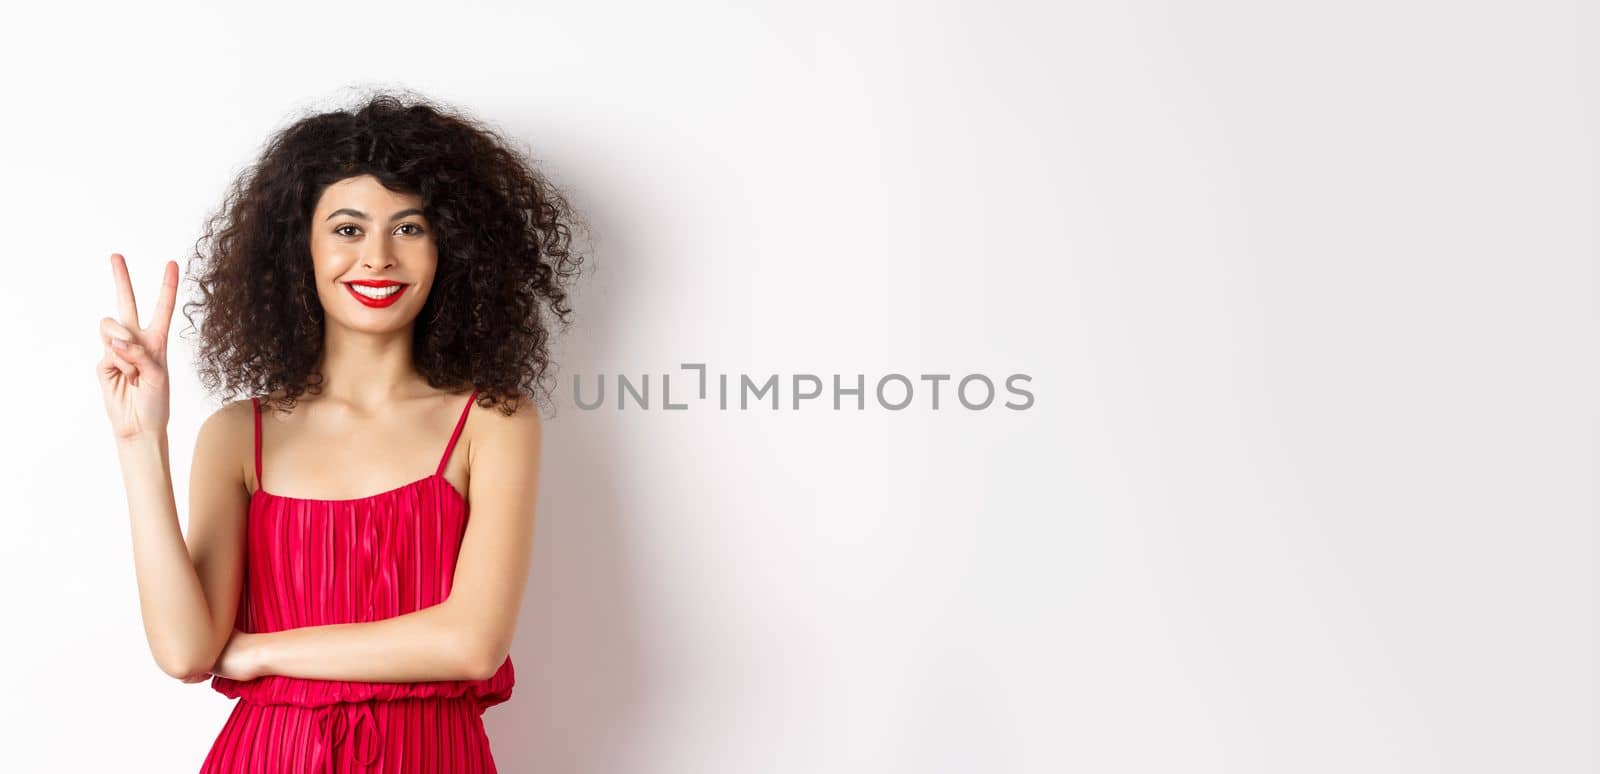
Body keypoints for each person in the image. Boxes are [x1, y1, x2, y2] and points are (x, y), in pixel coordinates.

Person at [95, 91, 586, 772]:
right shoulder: (239, 435)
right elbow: (186, 651)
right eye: (349, 229)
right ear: (301, 246)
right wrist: (139, 441)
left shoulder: (492, 422)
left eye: (409, 228)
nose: (378, 256)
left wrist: (262, 651)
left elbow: (472, 644)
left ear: (453, 247)